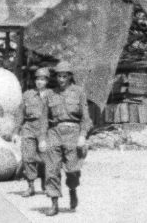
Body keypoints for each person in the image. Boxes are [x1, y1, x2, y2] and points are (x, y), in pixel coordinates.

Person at [38, 61, 91, 217]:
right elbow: (43, 119)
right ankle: (54, 203)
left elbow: (86, 118)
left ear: (70, 77)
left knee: (73, 170)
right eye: (59, 76)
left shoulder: (79, 92)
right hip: (54, 133)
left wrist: (82, 136)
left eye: (64, 76)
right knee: (51, 169)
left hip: (73, 133)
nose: (61, 79)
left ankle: (72, 189)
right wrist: (42, 139)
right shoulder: (49, 94)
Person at [19, 67, 51, 197]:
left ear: (47, 81)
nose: (39, 82)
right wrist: (16, 131)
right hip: (29, 127)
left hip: (45, 128)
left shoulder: (52, 95)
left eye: (42, 79)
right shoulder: (27, 94)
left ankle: (46, 184)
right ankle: (31, 185)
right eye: (38, 79)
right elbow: (20, 113)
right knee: (28, 156)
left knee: (45, 158)